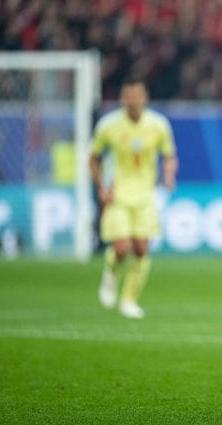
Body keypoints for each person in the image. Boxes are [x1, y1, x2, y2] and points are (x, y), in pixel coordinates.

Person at [90, 77, 178, 319]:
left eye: (137, 95)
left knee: (140, 249)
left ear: (145, 97)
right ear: (122, 98)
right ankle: (110, 273)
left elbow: (169, 155)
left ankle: (129, 300)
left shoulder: (158, 125)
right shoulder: (108, 126)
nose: (133, 101)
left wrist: (169, 174)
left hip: (145, 194)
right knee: (121, 248)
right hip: (117, 193)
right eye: (128, 96)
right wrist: (101, 187)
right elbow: (93, 158)